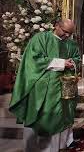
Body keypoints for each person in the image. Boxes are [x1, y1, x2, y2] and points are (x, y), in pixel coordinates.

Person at [9, 19, 80, 151]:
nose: (67, 36)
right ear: (56, 26)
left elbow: (77, 59)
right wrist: (61, 63)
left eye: (70, 34)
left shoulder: (71, 44)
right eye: (65, 32)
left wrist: (73, 62)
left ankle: (60, 145)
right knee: (42, 116)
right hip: (43, 88)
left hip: (64, 87)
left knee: (63, 115)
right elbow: (34, 59)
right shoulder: (41, 38)